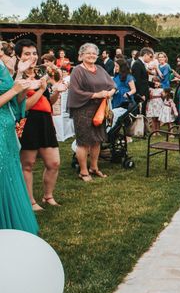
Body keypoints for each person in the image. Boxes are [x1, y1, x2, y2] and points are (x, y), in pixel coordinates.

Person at [0, 40, 39, 234]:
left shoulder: (1, 66)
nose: (2, 52)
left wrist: (20, 77)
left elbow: (15, 102)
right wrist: (15, 88)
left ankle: (12, 227)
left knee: (10, 175)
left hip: (6, 128)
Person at [67, 43, 116, 182]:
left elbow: (112, 85)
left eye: (94, 53)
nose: (92, 55)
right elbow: (75, 92)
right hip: (82, 109)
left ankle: (94, 167)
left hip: (99, 110)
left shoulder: (100, 69)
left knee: (97, 140)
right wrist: (97, 94)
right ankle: (83, 171)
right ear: (81, 55)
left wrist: (109, 93)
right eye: (88, 53)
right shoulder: (77, 70)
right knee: (83, 142)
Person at [20, 51, 62, 210]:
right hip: (28, 121)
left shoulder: (40, 73)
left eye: (34, 53)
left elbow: (48, 102)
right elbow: (25, 106)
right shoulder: (18, 78)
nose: (32, 57)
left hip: (45, 120)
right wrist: (39, 89)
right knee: (28, 163)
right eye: (27, 54)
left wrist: (56, 91)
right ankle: (30, 201)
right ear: (19, 57)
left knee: (54, 162)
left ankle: (48, 196)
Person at [131, 47, 152, 114]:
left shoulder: (141, 64)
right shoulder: (137, 64)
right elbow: (136, 81)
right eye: (150, 56)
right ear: (145, 55)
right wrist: (140, 94)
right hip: (140, 94)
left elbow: (143, 79)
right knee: (140, 114)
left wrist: (153, 84)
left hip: (143, 92)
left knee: (143, 113)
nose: (151, 58)